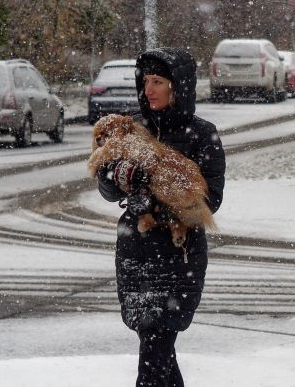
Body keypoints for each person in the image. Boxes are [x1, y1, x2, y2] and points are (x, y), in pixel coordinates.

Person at [95, 47, 225, 386]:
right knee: (156, 350)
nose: (148, 89)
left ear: (177, 86)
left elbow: (210, 200)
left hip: (178, 256)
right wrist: (119, 177)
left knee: (155, 353)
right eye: (145, 81)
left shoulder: (201, 134)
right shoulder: (130, 131)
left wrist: (157, 197)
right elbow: (107, 189)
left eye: (158, 81)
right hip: (135, 255)